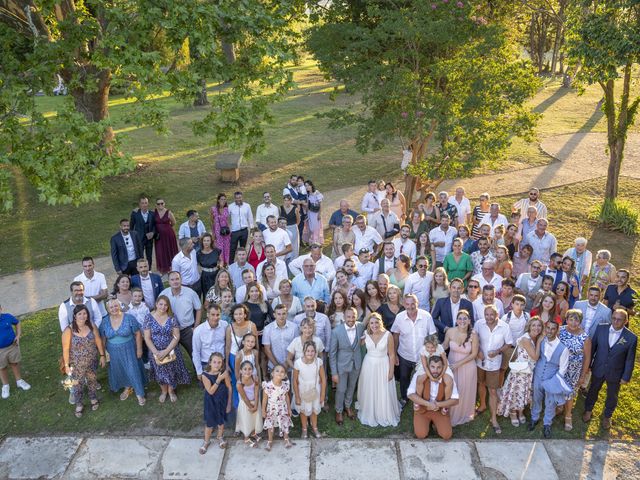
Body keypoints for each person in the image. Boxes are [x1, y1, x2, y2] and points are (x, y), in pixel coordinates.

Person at [583, 309, 637, 430]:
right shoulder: (601, 328)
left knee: (612, 395)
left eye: (619, 319)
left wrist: (626, 376)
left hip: (616, 371)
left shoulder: (631, 338)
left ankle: (607, 415)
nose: (615, 321)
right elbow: (593, 348)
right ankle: (588, 410)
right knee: (593, 389)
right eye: (614, 318)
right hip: (599, 367)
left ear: (626, 321)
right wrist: (588, 366)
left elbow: (629, 360)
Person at [143, 295, 191, 403]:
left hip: (171, 350)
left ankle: (171, 391)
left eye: (166, 305)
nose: (163, 307)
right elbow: (147, 337)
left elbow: (176, 336)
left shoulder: (172, 318)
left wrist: (166, 351)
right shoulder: (148, 318)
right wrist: (156, 352)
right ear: (156, 304)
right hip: (155, 351)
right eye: (161, 304)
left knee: (172, 371)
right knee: (160, 372)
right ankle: (164, 391)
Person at [99, 299, 147, 406]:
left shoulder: (129, 318)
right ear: (107, 309)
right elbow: (103, 338)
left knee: (132, 369)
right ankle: (127, 387)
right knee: (120, 369)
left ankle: (139, 393)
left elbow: (138, 334)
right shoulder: (105, 321)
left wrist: (139, 349)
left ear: (119, 306)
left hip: (129, 348)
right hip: (113, 351)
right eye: (111, 307)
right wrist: (103, 353)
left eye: (116, 306)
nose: (114, 309)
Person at [474, 305, 513, 434]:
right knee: (481, 383)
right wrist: (478, 350)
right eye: (487, 315)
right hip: (480, 361)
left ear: (497, 315)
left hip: (494, 364)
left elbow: (508, 343)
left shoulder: (504, 327)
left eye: (492, 315)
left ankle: (494, 418)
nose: (489, 317)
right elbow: (474, 339)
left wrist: (497, 351)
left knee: (492, 389)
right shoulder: (479, 324)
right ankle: (482, 405)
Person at [391, 294, 437, 403]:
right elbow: (396, 335)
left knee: (424, 379)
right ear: (403, 304)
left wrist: (431, 354)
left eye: (413, 304)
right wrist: (395, 353)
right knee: (404, 378)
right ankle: (404, 398)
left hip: (423, 356)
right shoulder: (399, 317)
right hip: (404, 355)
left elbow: (432, 336)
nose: (410, 306)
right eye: (407, 304)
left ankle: (422, 400)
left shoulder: (426, 316)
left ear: (417, 303)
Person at [497, 316, 543, 427]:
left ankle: (521, 411)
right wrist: (540, 341)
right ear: (529, 327)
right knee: (516, 391)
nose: (536, 328)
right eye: (534, 325)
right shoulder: (526, 339)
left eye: (539, 325)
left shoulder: (535, 338)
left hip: (529, 370)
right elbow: (535, 357)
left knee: (524, 392)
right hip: (520, 371)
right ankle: (513, 413)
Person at [528, 319, 570, 438]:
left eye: (553, 329)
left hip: (552, 379)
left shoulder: (563, 349)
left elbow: (563, 369)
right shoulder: (540, 341)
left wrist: (552, 382)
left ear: (557, 331)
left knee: (550, 402)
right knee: (536, 397)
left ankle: (547, 423)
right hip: (538, 375)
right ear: (545, 329)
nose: (550, 331)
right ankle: (534, 418)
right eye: (548, 328)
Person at [358, 313, 401, 427]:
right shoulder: (366, 334)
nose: (374, 325)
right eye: (371, 323)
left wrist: (391, 371)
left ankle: (383, 411)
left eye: (376, 322)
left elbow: (391, 355)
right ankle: (370, 409)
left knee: (383, 388)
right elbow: (356, 345)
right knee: (370, 387)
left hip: (383, 364)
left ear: (380, 322)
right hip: (369, 365)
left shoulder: (388, 335)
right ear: (369, 324)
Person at [60, 305, 104, 415]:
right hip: (76, 365)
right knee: (77, 385)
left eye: (85, 313)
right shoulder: (68, 330)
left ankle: (93, 399)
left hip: (91, 361)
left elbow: (98, 340)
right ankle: (79, 404)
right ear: (74, 316)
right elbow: (65, 349)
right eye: (80, 314)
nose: (82, 316)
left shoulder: (92, 326)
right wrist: (66, 365)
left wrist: (102, 355)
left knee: (92, 381)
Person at [408, 356, 459, 439]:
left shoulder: (448, 378)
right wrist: (427, 404)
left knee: (446, 435)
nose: (435, 370)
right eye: (433, 367)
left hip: (439, 410)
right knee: (421, 434)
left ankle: (436, 422)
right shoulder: (420, 376)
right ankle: (425, 421)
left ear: (443, 367)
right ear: (428, 367)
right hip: (423, 410)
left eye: (439, 367)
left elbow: (455, 400)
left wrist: (438, 404)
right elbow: (410, 394)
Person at [330, 307, 364, 425]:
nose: (351, 319)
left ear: (357, 317)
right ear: (344, 317)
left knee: (351, 387)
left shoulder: (360, 327)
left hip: (356, 363)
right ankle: (339, 410)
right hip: (342, 365)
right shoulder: (336, 331)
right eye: (348, 317)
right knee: (341, 389)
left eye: (353, 316)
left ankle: (348, 406)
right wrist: (334, 372)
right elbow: (332, 353)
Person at [559, 310, 591, 431]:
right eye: (570, 319)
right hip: (559, 367)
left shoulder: (585, 337)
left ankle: (568, 415)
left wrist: (583, 376)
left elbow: (587, 358)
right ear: (566, 320)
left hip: (574, 369)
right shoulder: (560, 331)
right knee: (557, 389)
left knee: (570, 393)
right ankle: (559, 407)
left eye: (576, 320)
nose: (573, 322)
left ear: (580, 322)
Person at [159, 271, 202, 358]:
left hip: (187, 330)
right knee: (172, 356)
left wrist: (196, 326)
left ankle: (198, 371)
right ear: (169, 281)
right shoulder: (163, 294)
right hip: (170, 331)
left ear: (181, 280)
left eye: (177, 279)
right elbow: (158, 312)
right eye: (172, 279)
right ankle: (178, 372)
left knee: (194, 353)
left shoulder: (190, 293)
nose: (175, 281)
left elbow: (199, 309)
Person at [225, 304, 259, 408]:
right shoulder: (229, 327)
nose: (238, 316)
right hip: (234, 357)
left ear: (245, 315)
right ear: (233, 316)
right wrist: (226, 364)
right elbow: (227, 346)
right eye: (236, 314)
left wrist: (256, 356)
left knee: (251, 380)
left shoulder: (251, 325)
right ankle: (238, 406)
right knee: (237, 382)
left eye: (240, 314)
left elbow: (256, 344)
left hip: (249, 356)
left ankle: (253, 402)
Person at [200, 352, 232, 453]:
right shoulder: (205, 375)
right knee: (209, 423)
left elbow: (229, 387)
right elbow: (210, 391)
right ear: (210, 362)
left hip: (222, 401)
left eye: (219, 362)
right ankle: (206, 441)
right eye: (214, 362)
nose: (217, 364)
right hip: (211, 402)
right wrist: (218, 379)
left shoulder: (224, 373)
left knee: (221, 421)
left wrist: (229, 403)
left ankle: (220, 436)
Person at [293, 341, 326, 438]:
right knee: (303, 411)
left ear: (315, 352)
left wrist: (323, 395)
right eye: (308, 351)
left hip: (315, 389)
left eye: (312, 351)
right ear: (304, 351)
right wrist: (297, 397)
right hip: (303, 390)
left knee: (314, 410)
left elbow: (323, 379)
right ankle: (304, 428)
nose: (310, 353)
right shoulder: (298, 363)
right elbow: (294, 381)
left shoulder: (318, 362)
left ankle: (314, 427)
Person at [0, 306, 31, 400]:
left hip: (12, 346)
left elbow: (17, 323)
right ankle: (5, 386)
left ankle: (19, 381)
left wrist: (18, 335)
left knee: (15, 363)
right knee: (2, 367)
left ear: (0, 309)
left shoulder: (7, 317)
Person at [262, 364, 294, 451]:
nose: (279, 373)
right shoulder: (267, 385)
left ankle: (286, 439)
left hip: (282, 407)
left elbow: (287, 397)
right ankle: (270, 441)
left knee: (285, 423)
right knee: (270, 425)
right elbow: (264, 399)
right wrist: (263, 410)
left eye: (282, 372)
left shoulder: (285, 385)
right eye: (277, 371)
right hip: (271, 408)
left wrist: (289, 408)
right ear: (272, 373)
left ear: (285, 376)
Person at [192, 304, 228, 381]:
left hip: (221, 362)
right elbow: (196, 352)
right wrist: (199, 371)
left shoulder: (225, 325)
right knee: (208, 390)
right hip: (206, 363)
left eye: (218, 315)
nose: (215, 317)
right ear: (207, 314)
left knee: (223, 389)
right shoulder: (198, 331)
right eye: (213, 315)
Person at [236, 360, 263, 447]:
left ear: (252, 370)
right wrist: (251, 407)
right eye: (245, 369)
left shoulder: (254, 377)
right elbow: (244, 397)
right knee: (246, 420)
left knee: (254, 418)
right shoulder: (239, 383)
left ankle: (253, 433)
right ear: (241, 371)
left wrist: (255, 405)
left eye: (250, 369)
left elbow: (256, 390)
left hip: (255, 401)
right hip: (245, 404)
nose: (247, 371)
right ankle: (246, 437)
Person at [263, 304, 298, 371]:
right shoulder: (267, 329)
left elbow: (296, 347)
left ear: (287, 314)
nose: (281, 316)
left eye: (283, 314)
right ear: (274, 315)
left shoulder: (294, 327)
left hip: (290, 365)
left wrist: (287, 363)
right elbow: (267, 350)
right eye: (279, 314)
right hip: (274, 367)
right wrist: (277, 367)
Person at [153, 198, 179, 275]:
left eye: (162, 203)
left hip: (169, 235)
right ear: (156, 205)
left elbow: (174, 222)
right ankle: (163, 269)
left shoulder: (169, 212)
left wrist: (166, 228)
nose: (160, 205)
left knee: (170, 250)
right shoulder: (153, 212)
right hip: (158, 236)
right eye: (158, 204)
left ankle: (172, 267)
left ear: (164, 203)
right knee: (160, 251)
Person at [229, 191, 254, 264]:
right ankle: (231, 263)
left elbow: (250, 218)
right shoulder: (230, 206)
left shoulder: (247, 206)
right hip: (234, 231)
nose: (238, 199)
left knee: (243, 248)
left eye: (239, 197)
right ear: (234, 198)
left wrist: (252, 230)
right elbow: (226, 217)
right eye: (236, 198)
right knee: (232, 248)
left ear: (242, 197)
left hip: (244, 231)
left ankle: (243, 262)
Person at [210, 193, 232, 265]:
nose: (223, 201)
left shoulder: (226, 209)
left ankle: (227, 263)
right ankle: (221, 263)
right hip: (217, 231)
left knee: (227, 248)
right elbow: (212, 222)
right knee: (220, 248)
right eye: (222, 199)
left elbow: (228, 221)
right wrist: (213, 234)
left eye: (224, 199)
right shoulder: (213, 209)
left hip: (226, 232)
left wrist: (230, 231)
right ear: (218, 200)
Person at [280, 195, 300, 261]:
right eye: (285, 200)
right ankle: (285, 258)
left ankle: (294, 259)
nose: (286, 202)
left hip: (293, 228)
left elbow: (298, 220)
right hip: (284, 228)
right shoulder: (280, 208)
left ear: (291, 201)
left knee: (294, 244)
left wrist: (294, 226)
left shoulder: (295, 209)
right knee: (285, 244)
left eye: (288, 200)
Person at [304, 180, 324, 245]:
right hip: (310, 213)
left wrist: (319, 214)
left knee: (316, 228)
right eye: (305, 186)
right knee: (311, 228)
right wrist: (306, 213)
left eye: (308, 185)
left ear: (311, 185)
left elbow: (320, 204)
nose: (307, 187)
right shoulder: (307, 194)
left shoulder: (317, 193)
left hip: (316, 213)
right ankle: (312, 241)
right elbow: (307, 204)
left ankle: (317, 242)